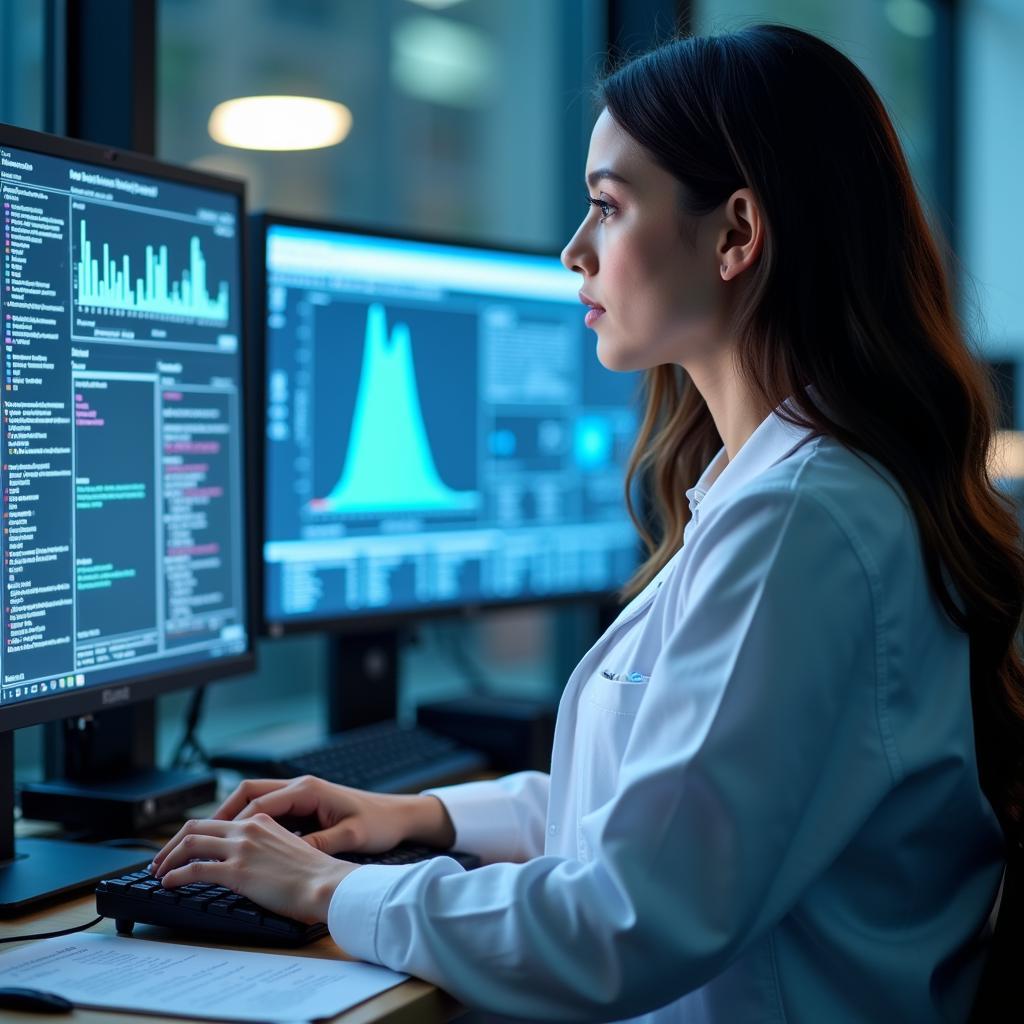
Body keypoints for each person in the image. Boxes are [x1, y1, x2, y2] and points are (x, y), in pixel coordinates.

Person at [150, 25, 1024, 1023]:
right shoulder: (787, 493)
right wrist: (422, 813)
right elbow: (660, 813)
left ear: (736, 234)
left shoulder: (800, 523)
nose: (573, 250)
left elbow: (626, 918)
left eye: (608, 206)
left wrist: (324, 888)